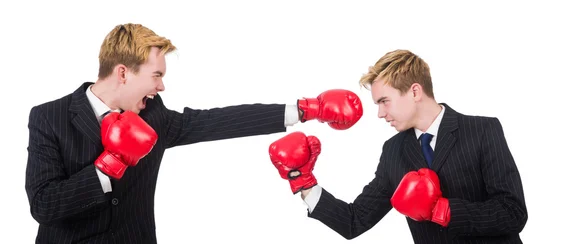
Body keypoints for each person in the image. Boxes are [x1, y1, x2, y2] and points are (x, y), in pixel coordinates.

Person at [24, 23, 364, 244]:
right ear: (123, 73)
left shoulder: (154, 116)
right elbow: (43, 205)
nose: (161, 86)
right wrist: (108, 165)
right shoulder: (49, 117)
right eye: (156, 75)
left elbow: (216, 122)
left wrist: (305, 110)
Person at [268, 49, 528, 243]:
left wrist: (443, 210)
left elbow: (513, 212)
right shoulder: (393, 151)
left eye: (385, 101)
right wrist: (304, 184)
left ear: (415, 92)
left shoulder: (482, 130)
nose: (380, 114)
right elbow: (354, 221)